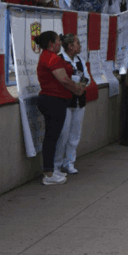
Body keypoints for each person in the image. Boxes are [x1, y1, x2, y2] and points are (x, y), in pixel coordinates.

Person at [35, 31, 84, 185]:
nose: (60, 43)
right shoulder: (51, 58)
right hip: (52, 101)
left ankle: (52, 170)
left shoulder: (51, 57)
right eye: (57, 41)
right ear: (51, 43)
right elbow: (64, 79)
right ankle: (49, 173)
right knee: (52, 137)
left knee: (53, 136)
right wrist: (76, 89)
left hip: (56, 100)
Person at [53, 33, 89, 175]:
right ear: (70, 46)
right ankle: (56, 165)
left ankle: (69, 162)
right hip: (65, 101)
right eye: (77, 43)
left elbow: (87, 77)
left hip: (79, 101)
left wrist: (81, 86)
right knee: (63, 134)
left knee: (75, 134)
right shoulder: (60, 59)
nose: (80, 46)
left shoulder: (80, 60)